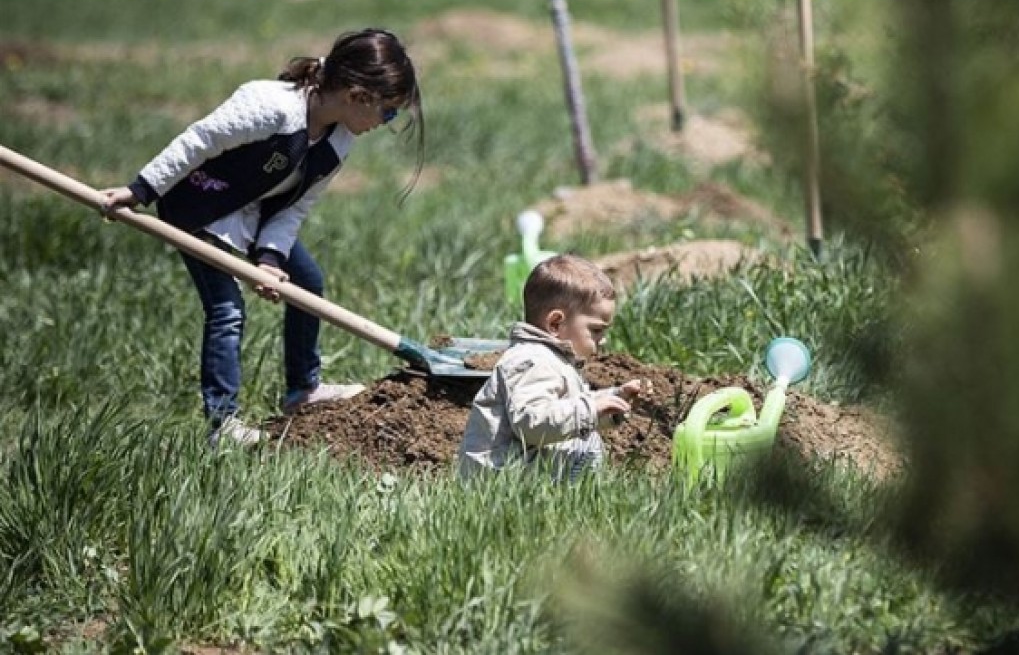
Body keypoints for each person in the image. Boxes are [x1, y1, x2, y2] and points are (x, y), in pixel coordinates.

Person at [100, 28, 425, 447]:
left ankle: (303, 390)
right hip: (201, 208)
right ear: (358, 95)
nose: (386, 124)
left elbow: (295, 208)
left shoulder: (338, 142)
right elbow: (198, 141)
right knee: (226, 309)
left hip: (255, 213)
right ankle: (223, 423)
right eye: (389, 113)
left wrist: (270, 260)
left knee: (308, 282)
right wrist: (140, 190)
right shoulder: (270, 107)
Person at [457, 254, 648, 481]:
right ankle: (572, 495)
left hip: (518, 468)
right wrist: (590, 410)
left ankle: (572, 495)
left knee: (583, 437)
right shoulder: (532, 361)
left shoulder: (549, 358)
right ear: (555, 323)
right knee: (584, 444)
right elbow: (532, 423)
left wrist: (613, 400)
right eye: (596, 330)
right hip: (499, 477)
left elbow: (563, 410)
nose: (603, 339)